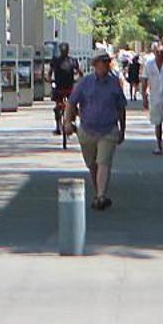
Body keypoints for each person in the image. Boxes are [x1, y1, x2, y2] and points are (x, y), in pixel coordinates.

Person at [68, 50, 128, 211]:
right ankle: (98, 191)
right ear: (95, 65)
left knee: (103, 162)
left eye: (107, 62)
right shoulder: (85, 83)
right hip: (87, 130)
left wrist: (123, 128)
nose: (106, 66)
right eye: (102, 62)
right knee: (92, 164)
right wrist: (68, 121)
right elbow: (72, 103)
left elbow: (121, 107)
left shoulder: (114, 83)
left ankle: (101, 195)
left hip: (108, 129)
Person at [50, 46, 80, 147]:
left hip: (59, 88)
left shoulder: (55, 61)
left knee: (58, 105)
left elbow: (50, 73)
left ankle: (58, 126)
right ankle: (73, 119)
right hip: (69, 88)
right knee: (73, 104)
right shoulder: (73, 61)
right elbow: (79, 72)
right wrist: (80, 78)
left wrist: (48, 78)